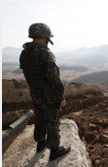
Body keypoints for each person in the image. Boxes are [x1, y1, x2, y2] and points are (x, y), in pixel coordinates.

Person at [19, 23, 71, 161]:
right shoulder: (46, 54)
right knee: (53, 120)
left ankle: (40, 143)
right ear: (45, 37)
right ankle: (54, 150)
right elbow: (54, 79)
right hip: (49, 95)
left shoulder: (25, 53)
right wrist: (61, 98)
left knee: (40, 116)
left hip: (35, 93)